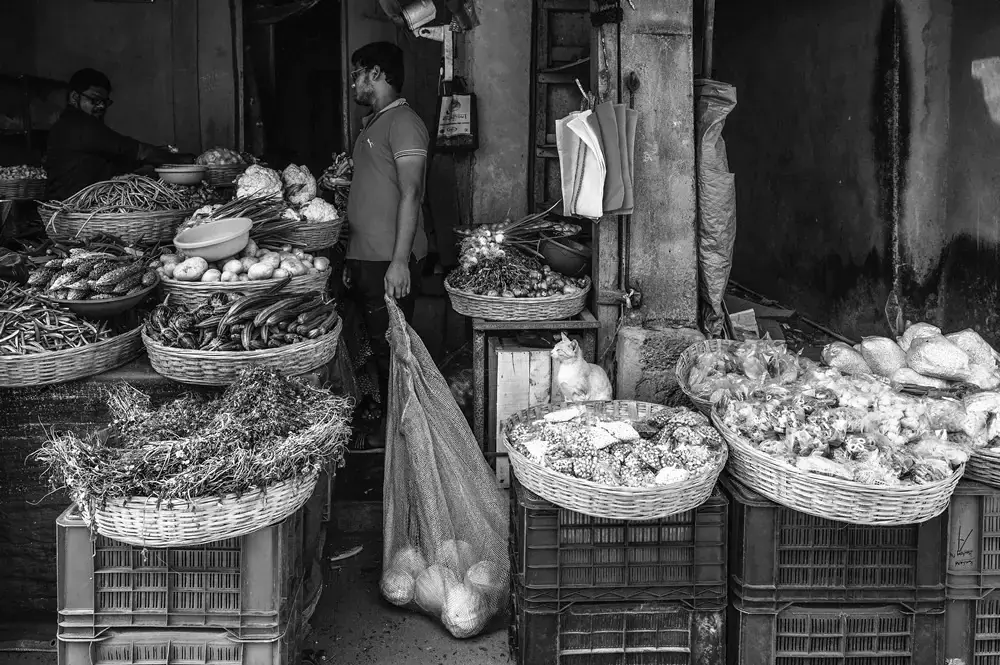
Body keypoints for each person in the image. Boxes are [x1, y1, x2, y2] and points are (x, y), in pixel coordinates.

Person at [344, 41, 429, 432]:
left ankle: (405, 433)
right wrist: (352, 256)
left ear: (376, 74)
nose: (353, 85)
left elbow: (412, 193)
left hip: (388, 258)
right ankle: (388, 426)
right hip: (366, 256)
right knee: (373, 347)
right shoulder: (373, 124)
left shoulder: (404, 122)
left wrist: (399, 260)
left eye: (357, 75)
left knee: (394, 349)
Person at [45, 68, 193, 201]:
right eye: (95, 100)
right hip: (74, 208)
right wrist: (183, 160)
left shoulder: (69, 124)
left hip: (72, 202)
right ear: (74, 98)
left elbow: (119, 155)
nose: (101, 106)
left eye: (104, 101)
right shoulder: (79, 124)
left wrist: (158, 154)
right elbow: (137, 151)